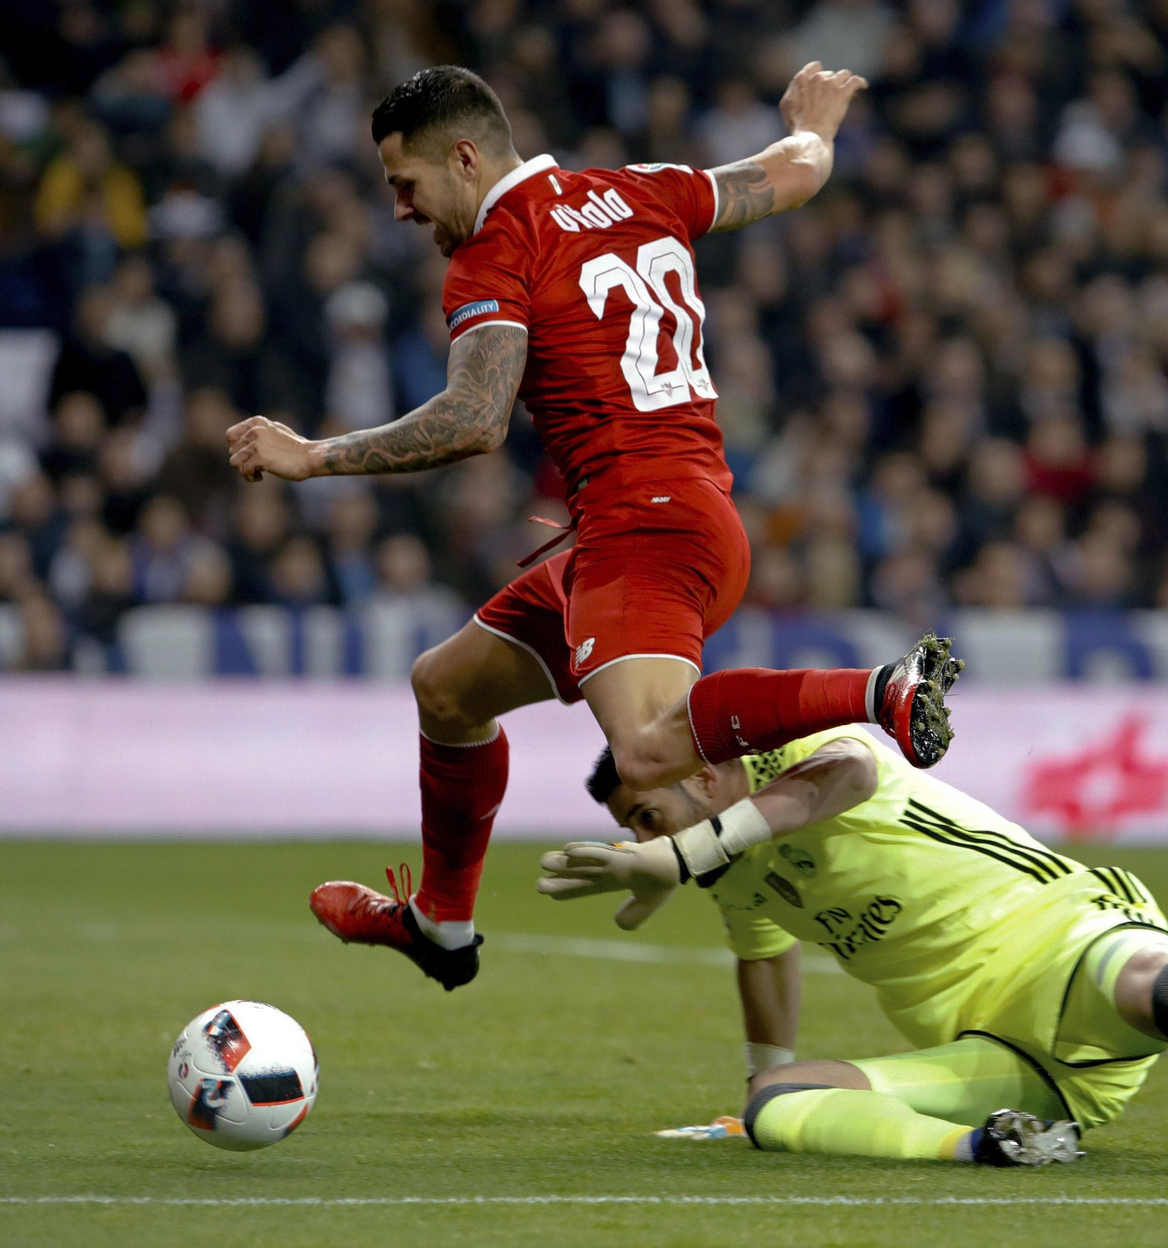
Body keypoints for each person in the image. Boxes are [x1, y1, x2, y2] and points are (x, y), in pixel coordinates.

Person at [224, 64, 963, 990]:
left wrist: (315, 457)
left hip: (643, 537)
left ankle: (881, 692)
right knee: (448, 691)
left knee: (651, 754)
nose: (404, 210)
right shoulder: (640, 188)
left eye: (405, 185)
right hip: (659, 525)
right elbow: (793, 174)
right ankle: (442, 925)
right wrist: (816, 125)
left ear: (464, 157)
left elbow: (473, 419)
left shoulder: (496, 251)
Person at [539, 728, 1168, 1178]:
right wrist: (751, 1100)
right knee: (784, 1108)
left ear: (706, 778)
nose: (638, 840)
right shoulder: (742, 879)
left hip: (1067, 942)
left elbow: (847, 775)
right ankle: (998, 1146)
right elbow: (762, 961)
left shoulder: (798, 755)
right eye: (632, 828)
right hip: (996, 1049)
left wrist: (684, 850)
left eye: (645, 813)